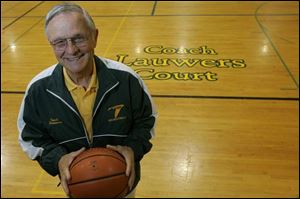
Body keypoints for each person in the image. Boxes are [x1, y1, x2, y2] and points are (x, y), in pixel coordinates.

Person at [17, 2, 157, 198]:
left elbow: (146, 121)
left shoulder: (127, 79)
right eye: (60, 42)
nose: (71, 50)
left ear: (95, 37)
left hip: (122, 182)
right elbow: (31, 138)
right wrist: (58, 159)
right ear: (51, 44)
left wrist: (132, 149)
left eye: (78, 38)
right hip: (78, 185)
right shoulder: (38, 90)